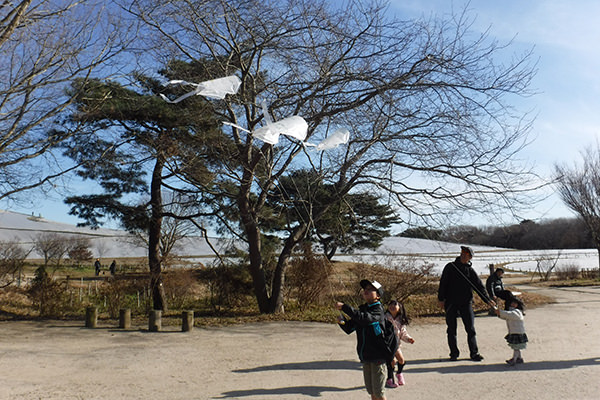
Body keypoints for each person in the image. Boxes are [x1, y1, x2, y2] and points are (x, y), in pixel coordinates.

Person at [437, 246, 495, 361]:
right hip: (451, 302)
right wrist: (440, 299)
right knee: (451, 329)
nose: (463, 255)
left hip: (466, 302)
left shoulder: (470, 270)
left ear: (470, 257)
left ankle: (474, 353)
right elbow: (443, 283)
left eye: (466, 254)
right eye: (462, 253)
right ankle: (454, 353)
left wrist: (487, 300)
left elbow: (479, 286)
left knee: (470, 329)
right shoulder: (450, 267)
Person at [336, 279, 389, 400]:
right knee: (372, 392)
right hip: (365, 356)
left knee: (379, 393)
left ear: (378, 296)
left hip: (378, 357)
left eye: (371, 289)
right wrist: (342, 322)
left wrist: (345, 307)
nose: (366, 291)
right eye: (365, 289)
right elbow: (349, 328)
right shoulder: (362, 309)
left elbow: (366, 319)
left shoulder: (378, 310)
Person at [384, 300, 414, 388]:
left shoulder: (401, 320)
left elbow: (403, 333)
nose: (392, 306)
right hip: (387, 343)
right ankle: (389, 378)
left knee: (401, 360)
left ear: (399, 308)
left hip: (396, 343)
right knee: (392, 361)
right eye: (390, 304)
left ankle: (399, 373)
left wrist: (408, 339)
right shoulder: (384, 317)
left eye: (395, 305)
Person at [495, 295, 528, 366]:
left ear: (518, 304)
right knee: (516, 347)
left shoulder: (517, 312)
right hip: (514, 331)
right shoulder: (511, 311)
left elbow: (509, 315)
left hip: (518, 332)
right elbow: (507, 316)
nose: (513, 304)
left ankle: (514, 359)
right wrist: (499, 313)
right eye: (512, 302)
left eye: (515, 303)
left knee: (516, 347)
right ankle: (519, 358)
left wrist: (500, 312)